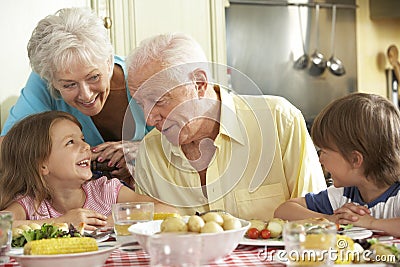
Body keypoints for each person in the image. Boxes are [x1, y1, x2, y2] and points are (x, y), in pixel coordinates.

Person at [125, 33, 327, 220]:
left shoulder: (279, 121)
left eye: (159, 101)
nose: (150, 120)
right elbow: (151, 237)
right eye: (141, 104)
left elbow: (316, 221)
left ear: (199, 83)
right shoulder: (150, 151)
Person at [0, 7, 150, 186]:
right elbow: (6, 152)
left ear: (108, 62)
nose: (86, 95)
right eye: (69, 84)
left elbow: (189, 144)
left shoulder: (144, 78)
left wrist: (146, 152)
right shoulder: (44, 81)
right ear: (51, 80)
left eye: (93, 77)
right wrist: (77, 157)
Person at [0, 111, 175, 230]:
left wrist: (109, 222)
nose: (85, 146)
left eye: (82, 139)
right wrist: (62, 223)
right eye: (70, 142)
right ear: (42, 165)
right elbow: (2, 226)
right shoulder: (31, 205)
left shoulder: (105, 191)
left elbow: (168, 210)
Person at [274, 93, 400, 237]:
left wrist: (370, 223)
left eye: (324, 152)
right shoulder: (343, 195)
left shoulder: (397, 195)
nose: (320, 160)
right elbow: (283, 211)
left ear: (355, 160)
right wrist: (331, 220)